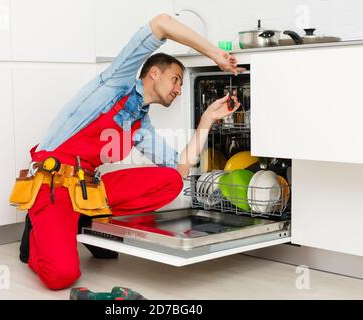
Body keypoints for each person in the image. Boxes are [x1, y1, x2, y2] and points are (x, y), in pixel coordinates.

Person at [18, 13, 243, 290]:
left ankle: (79, 218)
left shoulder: (140, 124)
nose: (179, 89)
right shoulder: (116, 82)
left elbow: (180, 168)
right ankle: (37, 232)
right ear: (154, 73)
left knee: (170, 180)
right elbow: (162, 23)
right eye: (176, 80)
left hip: (88, 187)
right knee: (62, 276)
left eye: (182, 85)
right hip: (53, 182)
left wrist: (207, 119)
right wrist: (215, 53)